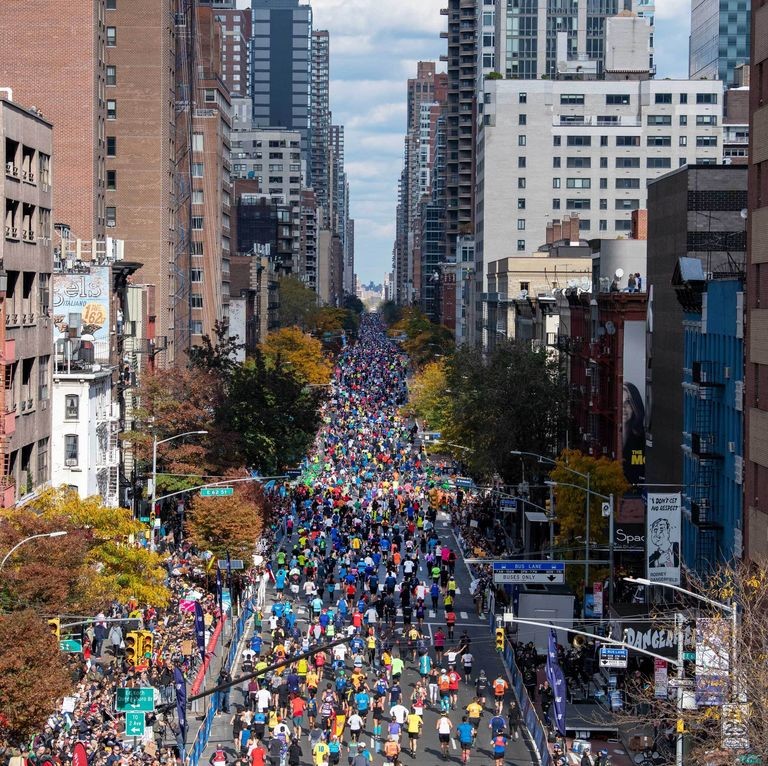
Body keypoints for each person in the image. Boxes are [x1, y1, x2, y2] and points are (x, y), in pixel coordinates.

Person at [622, 382, 646, 485]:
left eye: (627, 402)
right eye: (620, 402)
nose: (623, 407)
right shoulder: (605, 436)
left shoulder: (642, 438)